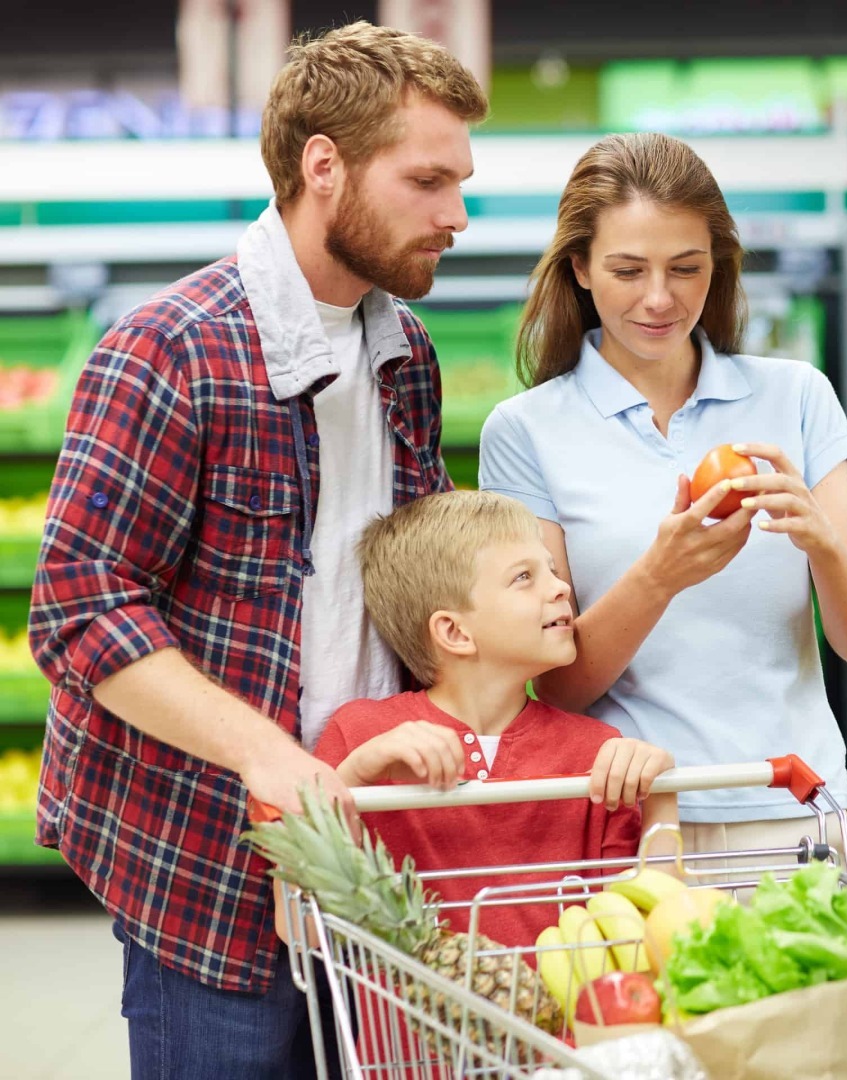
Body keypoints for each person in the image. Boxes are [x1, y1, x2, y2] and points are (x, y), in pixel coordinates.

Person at [27, 22, 485, 1078]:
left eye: (460, 183)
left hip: (370, 857)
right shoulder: (169, 348)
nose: (456, 215)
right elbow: (80, 607)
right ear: (322, 166)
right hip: (209, 865)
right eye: (426, 181)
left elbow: (406, 573)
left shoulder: (401, 351)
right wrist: (269, 755)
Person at [478, 132, 847, 868]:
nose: (660, 298)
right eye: (628, 270)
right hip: (633, 830)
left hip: (797, 819)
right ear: (579, 267)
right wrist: (660, 575)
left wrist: (820, 540)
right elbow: (556, 688)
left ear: (718, 267)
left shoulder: (796, 397)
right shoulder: (526, 431)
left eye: (686, 268)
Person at [312, 489, 678, 948]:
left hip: (567, 1019)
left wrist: (661, 791)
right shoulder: (362, 735)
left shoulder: (598, 750)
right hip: (411, 1020)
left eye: (552, 569)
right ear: (454, 631)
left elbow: (644, 932)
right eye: (524, 577)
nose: (561, 587)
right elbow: (303, 928)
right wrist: (356, 775)